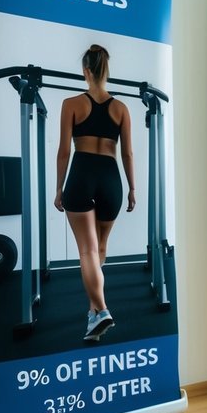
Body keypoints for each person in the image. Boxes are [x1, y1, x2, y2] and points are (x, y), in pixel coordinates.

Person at [53, 45, 136, 340]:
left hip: (82, 174)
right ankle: (93, 317)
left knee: (86, 251)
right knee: (99, 249)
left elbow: (64, 152)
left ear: (86, 71)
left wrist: (59, 187)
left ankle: (101, 310)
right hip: (111, 179)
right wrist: (132, 188)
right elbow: (127, 154)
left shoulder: (71, 104)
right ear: (106, 71)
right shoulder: (121, 108)